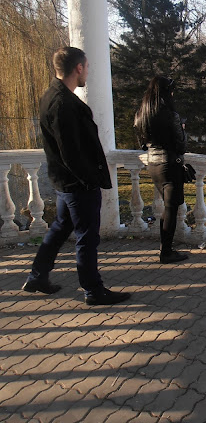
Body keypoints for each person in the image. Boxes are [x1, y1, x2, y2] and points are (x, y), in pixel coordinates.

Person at [22, 47, 130, 306]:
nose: (88, 72)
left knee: (61, 228)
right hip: (77, 184)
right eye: (87, 67)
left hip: (65, 182)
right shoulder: (64, 104)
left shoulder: (52, 96)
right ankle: (93, 290)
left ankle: (37, 277)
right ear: (78, 68)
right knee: (87, 237)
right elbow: (70, 152)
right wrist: (90, 180)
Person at [134, 76, 189, 264]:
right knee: (171, 209)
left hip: (153, 165)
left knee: (168, 208)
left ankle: (165, 249)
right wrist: (182, 129)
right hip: (170, 165)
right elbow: (181, 146)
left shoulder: (142, 114)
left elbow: (143, 144)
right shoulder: (170, 115)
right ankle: (166, 252)